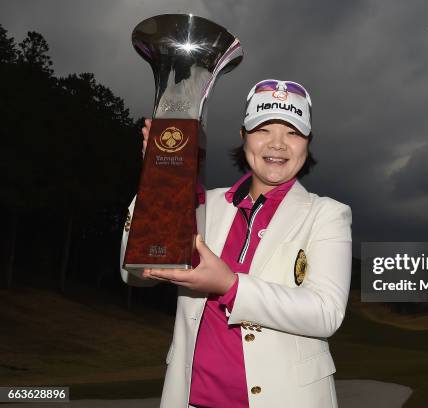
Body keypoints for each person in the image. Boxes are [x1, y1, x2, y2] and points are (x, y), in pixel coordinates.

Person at [120, 79, 352, 408]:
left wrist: (230, 286)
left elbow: (325, 313)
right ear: (243, 136)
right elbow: (136, 273)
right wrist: (159, 180)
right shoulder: (202, 205)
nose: (278, 144)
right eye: (263, 130)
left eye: (292, 132)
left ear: (307, 143)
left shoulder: (327, 214)